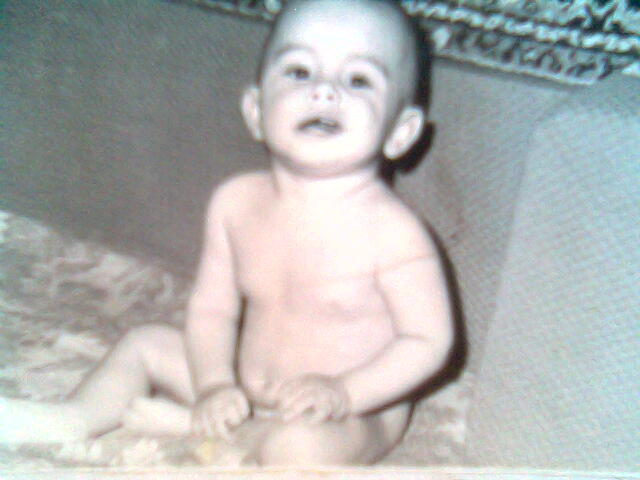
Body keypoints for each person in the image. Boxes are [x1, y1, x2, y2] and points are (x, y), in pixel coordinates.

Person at [0, 0, 453, 465]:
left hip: (352, 411)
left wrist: (343, 392)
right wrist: (215, 383)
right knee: (145, 344)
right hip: (246, 389)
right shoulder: (235, 203)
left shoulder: (396, 235)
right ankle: (76, 417)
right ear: (256, 111)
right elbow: (213, 309)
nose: (323, 91)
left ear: (401, 132)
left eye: (358, 79)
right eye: (299, 71)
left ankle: (229, 437)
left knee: (298, 447)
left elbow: (428, 343)